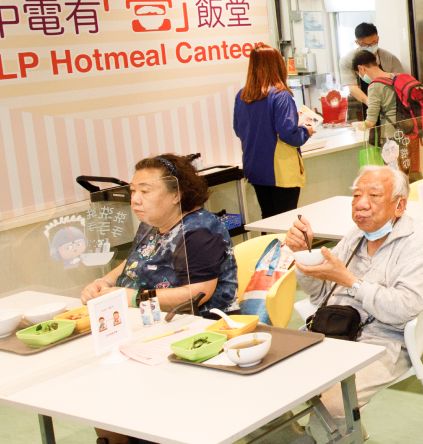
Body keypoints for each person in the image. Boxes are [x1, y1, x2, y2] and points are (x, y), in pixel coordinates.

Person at [284, 165, 423, 440]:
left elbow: (406, 307)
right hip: (330, 332)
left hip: (383, 342)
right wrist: (302, 256)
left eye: (374, 196)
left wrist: (351, 282)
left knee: (334, 404)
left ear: (400, 205)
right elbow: (320, 295)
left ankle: (314, 437)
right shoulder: (356, 236)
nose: (361, 204)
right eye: (356, 196)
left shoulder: (417, 242)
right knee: (266, 384)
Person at [80, 154, 237, 315]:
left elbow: (197, 294)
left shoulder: (199, 232)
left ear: (177, 194)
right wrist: (104, 282)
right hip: (146, 316)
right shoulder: (150, 224)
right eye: (133, 190)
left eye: (145, 191)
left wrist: (134, 298)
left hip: (199, 323)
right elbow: (136, 260)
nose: (134, 200)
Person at [233, 44, 315, 217]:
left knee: (268, 218)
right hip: (280, 169)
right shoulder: (280, 95)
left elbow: (239, 130)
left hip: (254, 167)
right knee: (285, 220)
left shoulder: (242, 96)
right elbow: (288, 134)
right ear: (277, 66)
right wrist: (306, 131)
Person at [339, 23, 406, 120]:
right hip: (360, 107)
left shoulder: (389, 58)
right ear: (357, 42)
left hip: (387, 109)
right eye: (365, 44)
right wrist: (371, 103)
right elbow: (352, 87)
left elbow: (401, 83)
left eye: (373, 43)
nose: (370, 46)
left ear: (378, 39)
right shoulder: (347, 60)